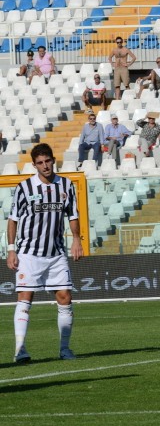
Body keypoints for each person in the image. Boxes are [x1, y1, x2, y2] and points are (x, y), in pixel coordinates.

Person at [7, 143, 82, 363]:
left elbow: (73, 216)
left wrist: (76, 240)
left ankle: (65, 349)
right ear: (34, 165)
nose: (45, 166)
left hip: (56, 252)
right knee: (25, 297)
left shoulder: (66, 185)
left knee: (65, 297)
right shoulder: (24, 188)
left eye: (48, 161)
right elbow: (13, 220)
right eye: (40, 163)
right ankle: (20, 349)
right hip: (29, 253)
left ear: (53, 160)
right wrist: (11, 250)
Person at [108, 36, 136, 100]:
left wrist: (129, 64)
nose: (119, 43)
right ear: (116, 42)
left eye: (120, 42)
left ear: (122, 42)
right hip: (117, 68)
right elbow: (109, 57)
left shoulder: (126, 49)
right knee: (117, 86)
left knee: (126, 84)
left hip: (124, 68)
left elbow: (134, 57)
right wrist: (112, 64)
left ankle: (130, 99)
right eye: (118, 42)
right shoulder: (114, 50)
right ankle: (117, 100)